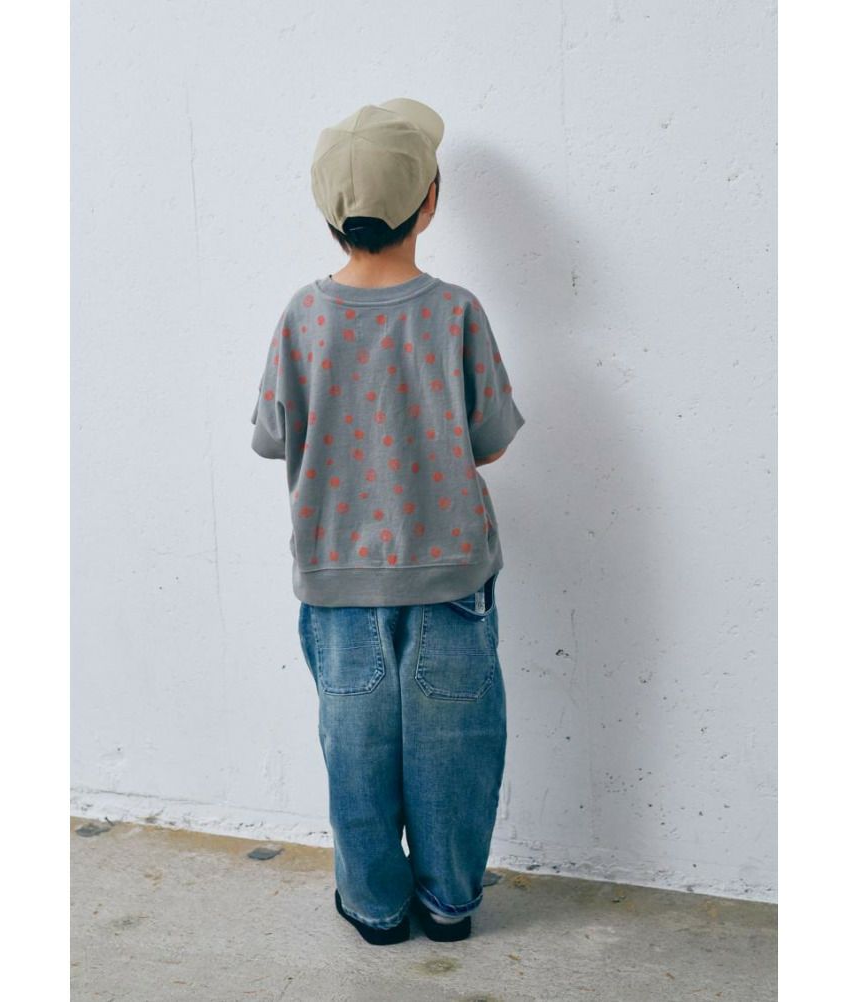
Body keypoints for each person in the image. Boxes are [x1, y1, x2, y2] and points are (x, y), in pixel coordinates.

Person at [250, 98, 526, 946]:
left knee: (356, 753)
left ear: (328, 215)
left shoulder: (302, 316)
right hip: (451, 578)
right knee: (457, 749)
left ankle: (374, 908)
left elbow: (272, 438)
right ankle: (448, 903)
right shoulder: (458, 313)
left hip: (337, 582)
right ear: (429, 202)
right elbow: (490, 442)